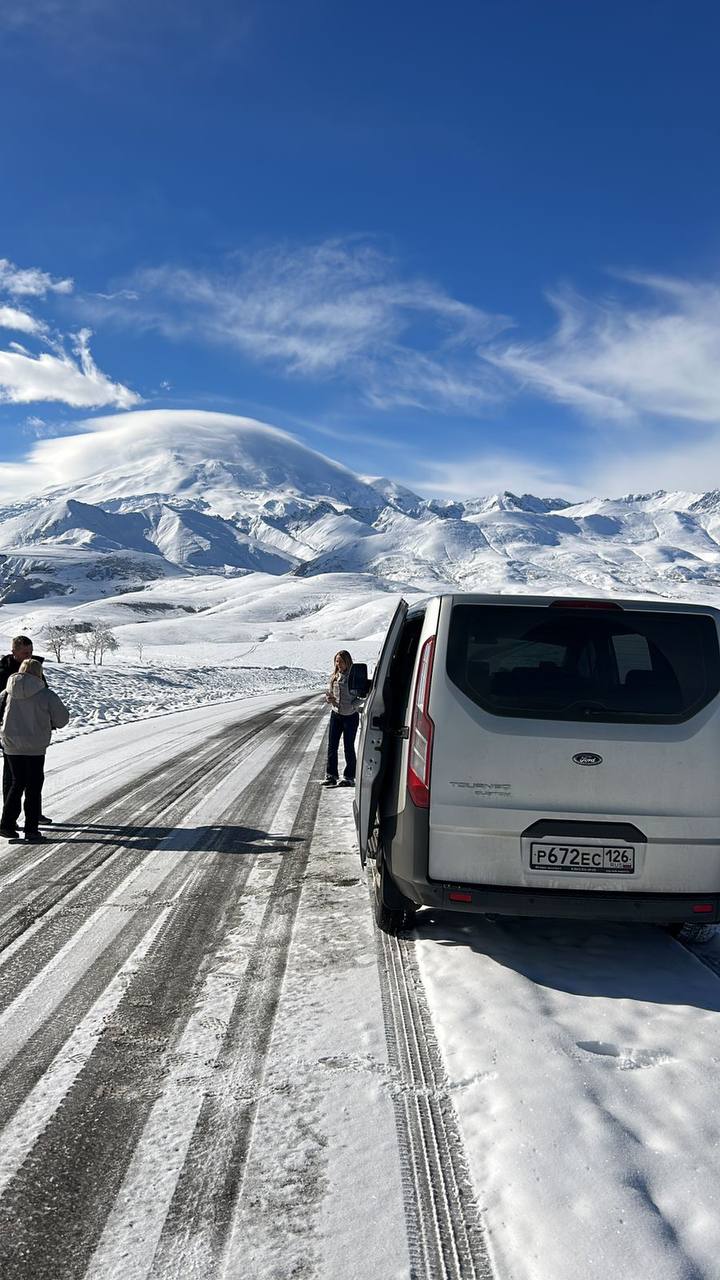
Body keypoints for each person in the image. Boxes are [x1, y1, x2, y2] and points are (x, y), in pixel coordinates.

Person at [0, 658, 69, 843]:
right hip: (35, 747)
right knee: (33, 786)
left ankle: (6, 825)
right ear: (39, 673)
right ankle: (31, 829)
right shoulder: (46, 694)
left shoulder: (6, 693)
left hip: (11, 745)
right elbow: (62, 720)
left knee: (16, 783)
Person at [0, 635, 53, 822]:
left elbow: (44, 695)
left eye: (31, 652)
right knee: (13, 778)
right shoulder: (3, 671)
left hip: (33, 731)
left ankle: (34, 815)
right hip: (11, 733)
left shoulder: (34, 668)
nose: (29, 656)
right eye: (25, 653)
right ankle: (9, 819)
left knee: (34, 779)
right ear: (14, 652)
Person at [322, 649, 362, 787]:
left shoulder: (354, 677)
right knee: (332, 746)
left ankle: (349, 777)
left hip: (350, 716)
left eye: (341, 661)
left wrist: (353, 705)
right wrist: (329, 699)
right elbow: (331, 694)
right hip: (336, 714)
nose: (338, 664)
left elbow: (363, 695)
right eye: (337, 661)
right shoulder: (334, 676)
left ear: (347, 661)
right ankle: (331, 775)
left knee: (348, 747)